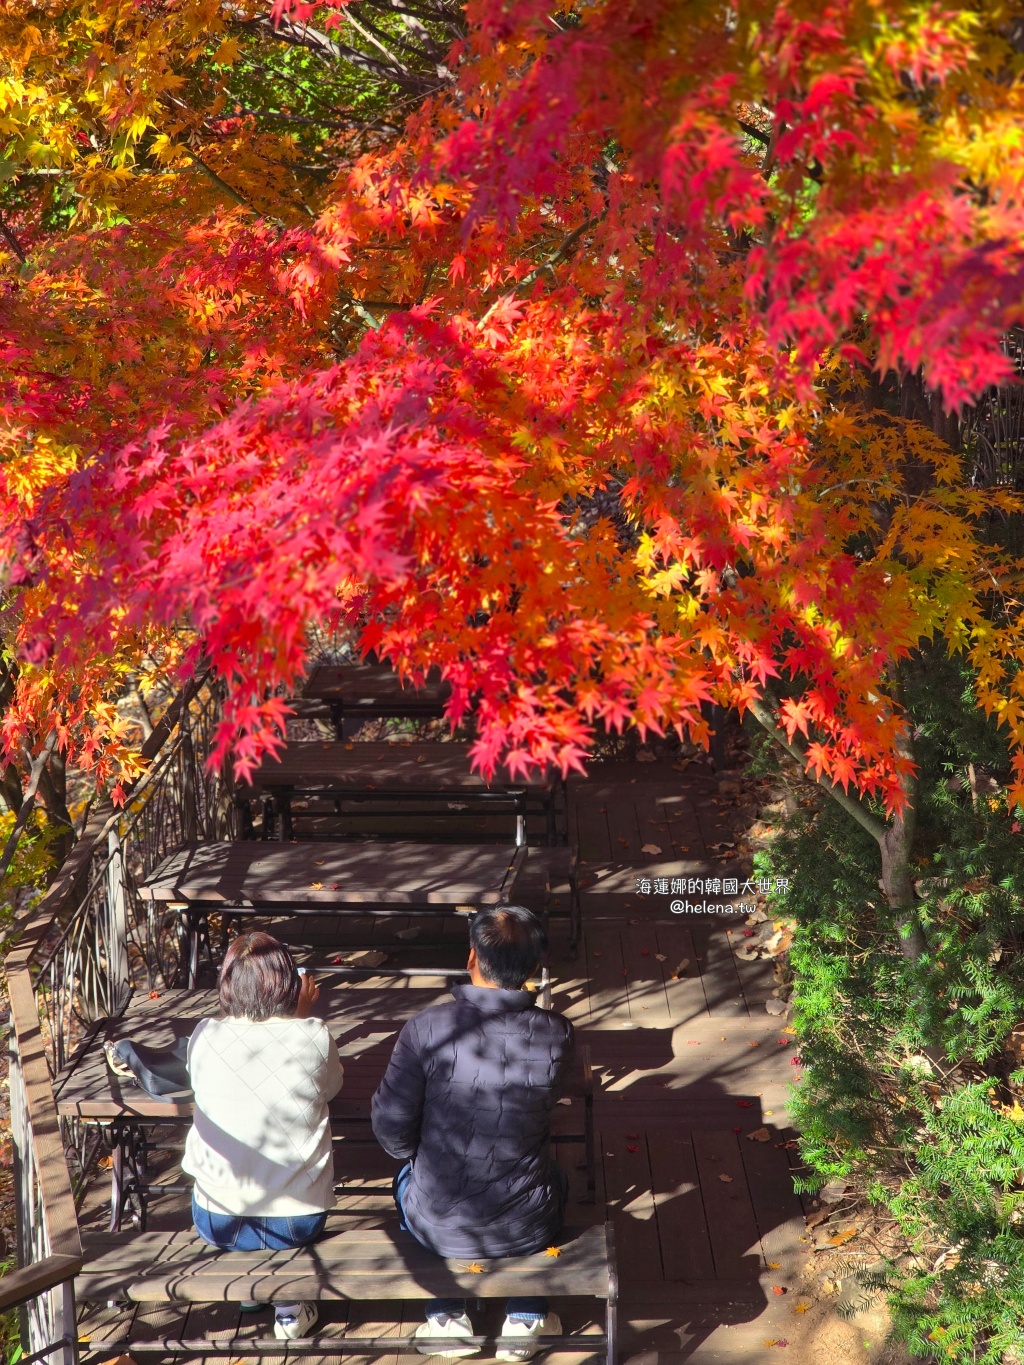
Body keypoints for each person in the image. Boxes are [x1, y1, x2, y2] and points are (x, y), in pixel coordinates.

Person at [371, 905, 574, 1361]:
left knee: (405, 1183)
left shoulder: (427, 1028)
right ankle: (525, 1316)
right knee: (556, 1183)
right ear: (535, 968)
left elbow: (391, 1125)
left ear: (471, 959)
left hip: (438, 1219)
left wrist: (414, 1156)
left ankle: (446, 1315)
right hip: (526, 1220)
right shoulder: (557, 1033)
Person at [182, 931, 344, 1340]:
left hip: (216, 1218)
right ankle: (289, 1306)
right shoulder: (314, 1034)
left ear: (228, 983)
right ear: (288, 982)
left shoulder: (205, 1036)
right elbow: (332, 1087)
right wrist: (301, 1019)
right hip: (296, 1220)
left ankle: (251, 1292)